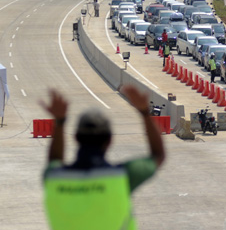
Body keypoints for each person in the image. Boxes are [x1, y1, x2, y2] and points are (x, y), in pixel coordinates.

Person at [40, 85, 165, 230]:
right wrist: (144, 112)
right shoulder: (122, 176)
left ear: (75, 138)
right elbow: (158, 155)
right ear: (110, 141)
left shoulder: (55, 178)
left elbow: (54, 162)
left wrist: (60, 122)